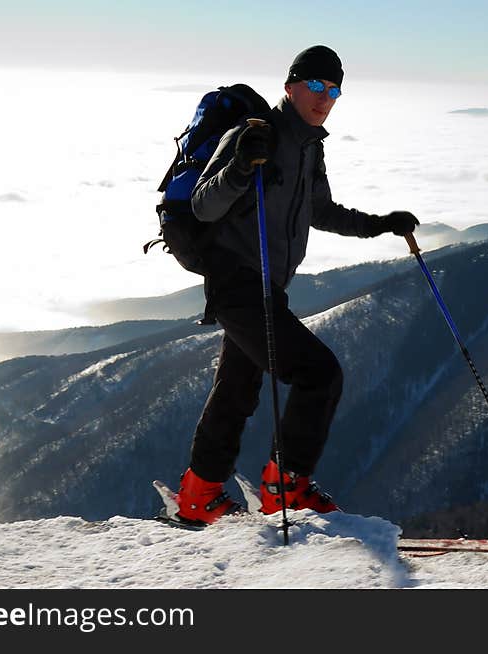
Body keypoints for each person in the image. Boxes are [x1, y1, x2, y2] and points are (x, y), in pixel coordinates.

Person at [174, 45, 419, 525]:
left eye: (334, 90)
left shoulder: (310, 146)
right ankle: (285, 488)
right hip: (236, 283)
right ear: (291, 87)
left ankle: (199, 495)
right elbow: (204, 204)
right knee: (319, 374)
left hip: (266, 287)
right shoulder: (253, 135)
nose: (325, 97)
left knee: (236, 391)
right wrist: (242, 166)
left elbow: (320, 210)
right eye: (316, 86)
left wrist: (379, 224)